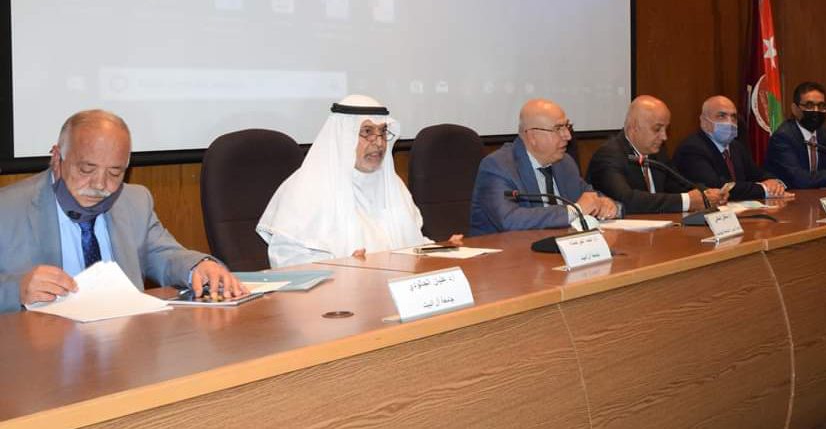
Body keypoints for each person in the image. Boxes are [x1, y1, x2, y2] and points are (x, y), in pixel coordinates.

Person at [0, 110, 246, 313]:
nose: (100, 184)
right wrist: (16, 290)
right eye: (86, 169)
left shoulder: (134, 201)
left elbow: (165, 255)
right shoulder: (8, 208)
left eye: (115, 173)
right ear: (57, 158)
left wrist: (199, 267)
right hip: (43, 344)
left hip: (121, 341)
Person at [257, 95, 439, 267]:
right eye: (367, 132)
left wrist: (443, 250)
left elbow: (412, 243)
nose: (379, 143)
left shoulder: (392, 184)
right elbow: (288, 261)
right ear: (344, 136)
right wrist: (343, 268)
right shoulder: (306, 188)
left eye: (383, 132)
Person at [469, 98, 618, 235]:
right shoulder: (498, 166)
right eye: (558, 128)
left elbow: (589, 196)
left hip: (558, 248)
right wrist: (574, 211)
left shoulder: (565, 163)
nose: (568, 135)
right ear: (532, 136)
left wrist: (607, 205)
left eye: (567, 126)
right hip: (506, 252)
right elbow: (509, 220)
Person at [587, 95, 727, 214]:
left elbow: (679, 184)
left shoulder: (657, 153)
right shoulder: (609, 156)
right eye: (657, 129)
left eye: (666, 129)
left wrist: (708, 194)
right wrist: (686, 201)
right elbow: (627, 200)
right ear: (634, 127)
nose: (664, 137)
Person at [674, 96, 787, 201]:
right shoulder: (692, 149)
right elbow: (717, 187)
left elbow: (758, 174)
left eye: (733, 117)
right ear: (704, 122)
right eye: (721, 116)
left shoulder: (736, 147)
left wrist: (774, 182)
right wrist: (765, 189)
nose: (729, 122)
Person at [765, 82, 826, 189]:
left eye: (821, 106)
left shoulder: (824, 134)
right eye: (809, 106)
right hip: (789, 196)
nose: (816, 111)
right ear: (795, 109)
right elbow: (799, 180)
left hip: (817, 196)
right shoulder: (783, 137)